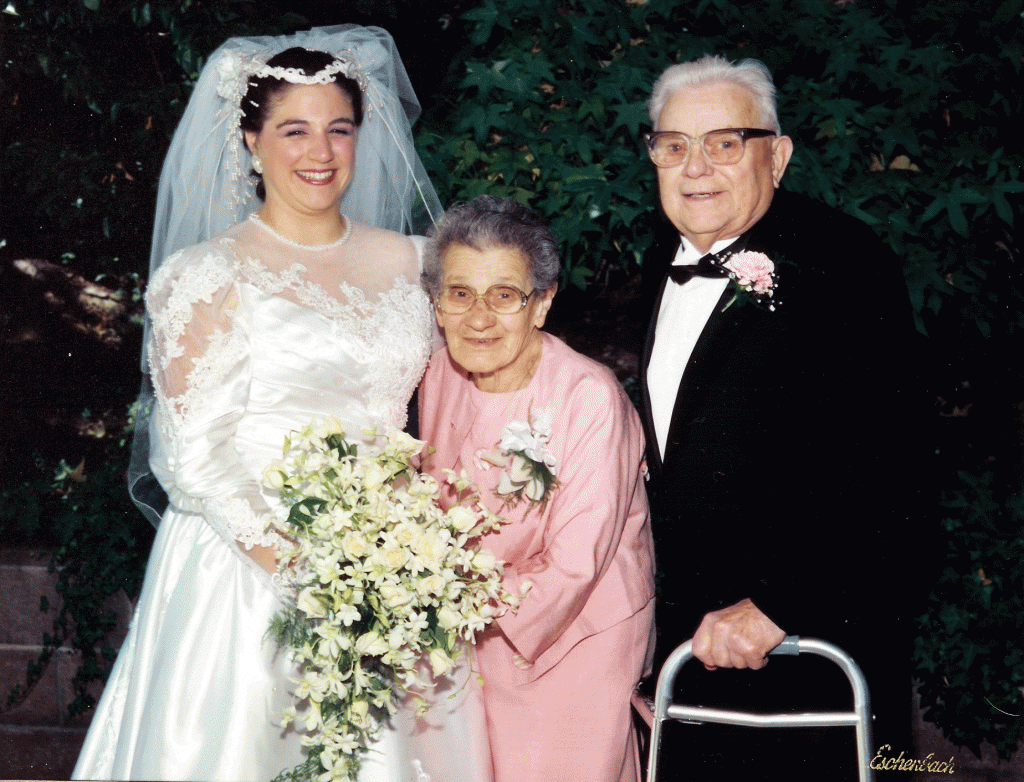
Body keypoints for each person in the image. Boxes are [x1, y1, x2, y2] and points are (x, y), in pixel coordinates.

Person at [72, 26, 489, 782]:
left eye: (339, 129)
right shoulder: (203, 275)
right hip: (243, 568)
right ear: (251, 141)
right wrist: (313, 576)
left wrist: (399, 566)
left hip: (391, 568)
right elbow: (191, 456)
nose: (319, 152)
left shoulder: (417, 264)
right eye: (293, 130)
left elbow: (465, 395)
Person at [639, 55, 921, 777]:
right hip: (686, 662)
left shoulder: (847, 265)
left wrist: (778, 606)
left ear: (779, 156)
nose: (696, 165)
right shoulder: (655, 264)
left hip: (805, 659)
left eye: (725, 142)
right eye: (673, 145)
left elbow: (889, 467)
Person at [417, 195, 657, 782]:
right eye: (460, 294)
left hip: (573, 637)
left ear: (542, 304)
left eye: (504, 296)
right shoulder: (435, 375)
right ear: (437, 305)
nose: (479, 318)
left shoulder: (589, 397)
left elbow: (577, 563)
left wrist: (449, 599)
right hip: (466, 633)